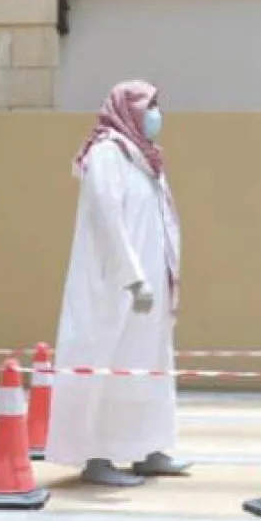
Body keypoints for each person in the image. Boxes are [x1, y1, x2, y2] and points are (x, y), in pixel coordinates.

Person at [45, 80, 188, 486]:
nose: (157, 114)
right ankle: (98, 457)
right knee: (110, 364)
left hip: (151, 287)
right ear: (128, 108)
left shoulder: (145, 159)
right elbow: (108, 219)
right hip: (118, 287)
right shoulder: (108, 154)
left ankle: (150, 449)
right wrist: (133, 278)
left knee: (151, 365)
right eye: (151, 105)